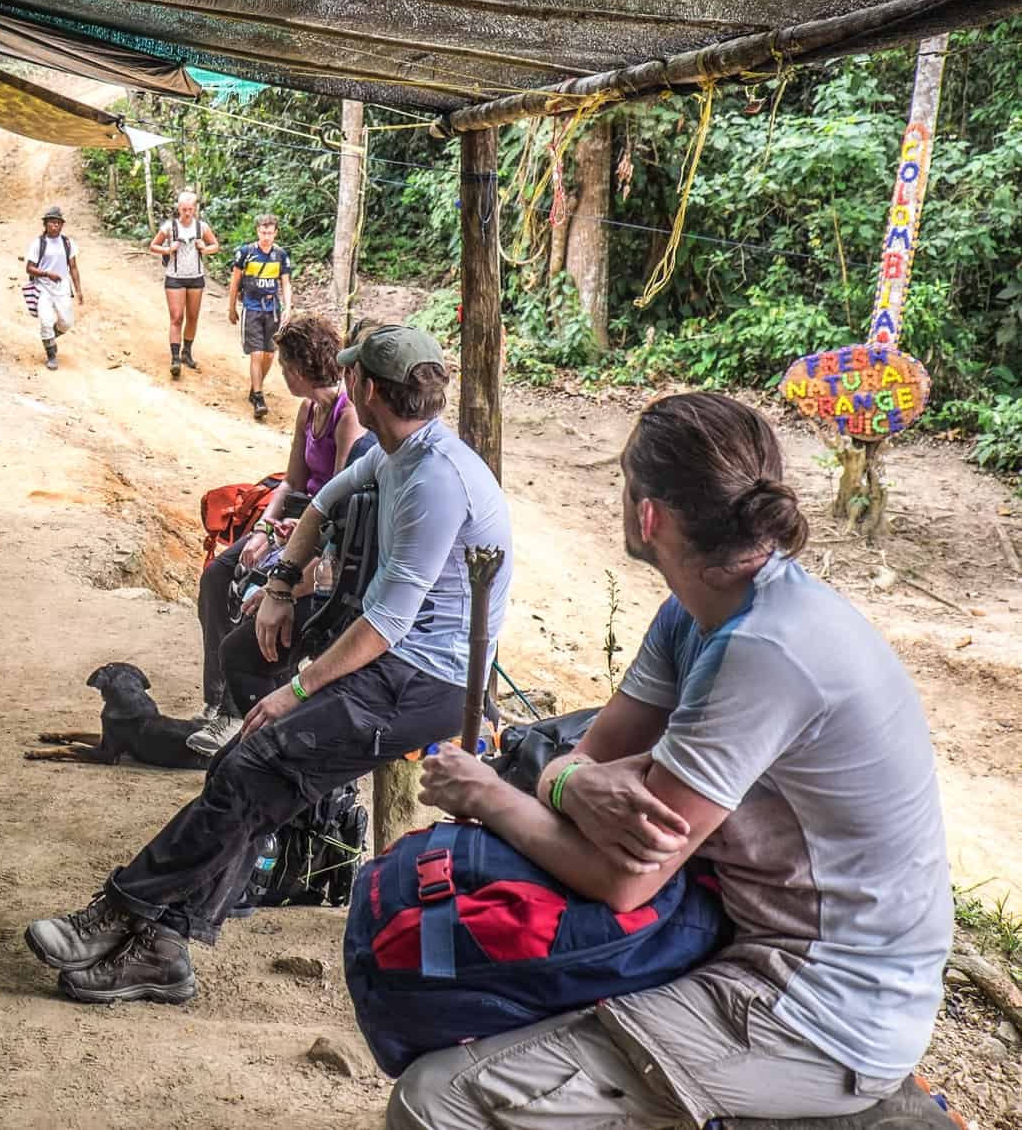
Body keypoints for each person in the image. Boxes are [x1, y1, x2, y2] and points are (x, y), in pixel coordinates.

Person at [391, 392, 951, 1129]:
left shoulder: (764, 650)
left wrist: (495, 795)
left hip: (820, 1008)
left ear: (647, 514)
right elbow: (593, 755)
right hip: (763, 938)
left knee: (434, 1103)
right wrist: (570, 781)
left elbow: (626, 875)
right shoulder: (699, 611)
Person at [25, 324, 510, 1004]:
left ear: (367, 390)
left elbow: (387, 622)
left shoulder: (436, 478)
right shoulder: (399, 452)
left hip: (427, 680)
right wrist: (280, 586)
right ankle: (162, 950)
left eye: (354, 377)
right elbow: (320, 502)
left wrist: (296, 689)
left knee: (253, 764)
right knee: (245, 768)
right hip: (392, 663)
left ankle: (122, 911)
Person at [187, 314, 365, 756]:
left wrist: (291, 543)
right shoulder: (309, 411)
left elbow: (336, 499)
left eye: (284, 364)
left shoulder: (348, 418)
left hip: (319, 528)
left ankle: (237, 711)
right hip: (296, 517)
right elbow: (291, 482)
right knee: (217, 577)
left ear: (301, 369)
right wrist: (264, 527)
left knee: (257, 594)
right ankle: (217, 698)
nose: (280, 372)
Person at [226, 214, 293, 418]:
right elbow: (235, 281)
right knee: (256, 353)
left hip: (272, 309)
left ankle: (256, 387)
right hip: (252, 307)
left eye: (270, 233)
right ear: (257, 231)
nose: (266, 236)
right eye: (263, 232)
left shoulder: (281, 255)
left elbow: (286, 283)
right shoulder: (245, 253)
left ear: (275, 233)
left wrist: (288, 307)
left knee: (269, 354)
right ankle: (258, 396)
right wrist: (231, 307)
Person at [149, 190, 219, 379]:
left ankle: (187, 352)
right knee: (177, 317)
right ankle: (174, 358)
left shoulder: (201, 227)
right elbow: (153, 245)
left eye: (190, 209)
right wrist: (167, 248)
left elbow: (215, 245)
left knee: (193, 316)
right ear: (179, 209)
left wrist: (205, 249)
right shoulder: (169, 227)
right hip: (175, 276)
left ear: (195, 209)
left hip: (196, 276)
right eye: (184, 209)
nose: (187, 213)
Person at [23, 206, 83, 371]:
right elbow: (29, 268)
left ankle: (50, 337)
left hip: (62, 288)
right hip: (43, 287)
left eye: (57, 223)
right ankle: (51, 355)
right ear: (45, 224)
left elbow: (74, 267)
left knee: (67, 323)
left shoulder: (67, 243)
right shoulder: (38, 244)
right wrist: (47, 274)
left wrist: (78, 290)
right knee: (46, 320)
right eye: (51, 223)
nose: (54, 226)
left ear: (62, 225)